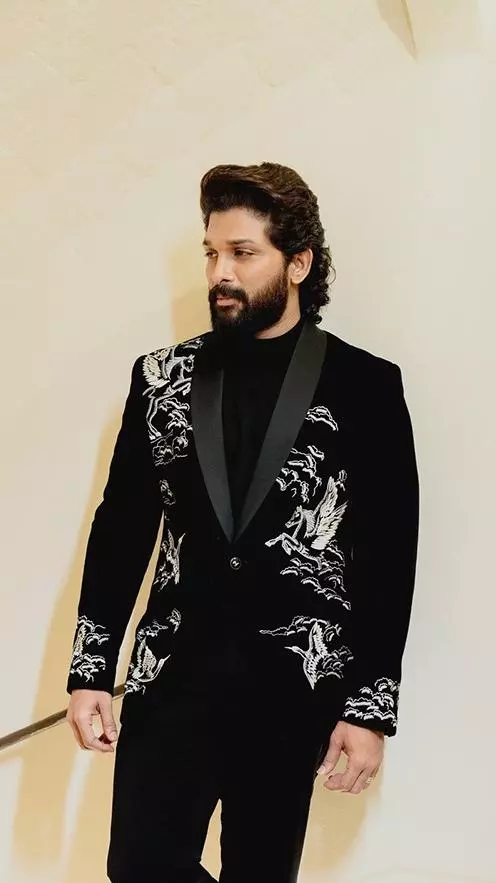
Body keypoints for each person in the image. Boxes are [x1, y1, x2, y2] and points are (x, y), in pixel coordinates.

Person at [66, 162, 420, 883]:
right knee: (138, 865)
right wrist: (89, 669)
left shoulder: (366, 385)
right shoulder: (159, 377)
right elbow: (122, 526)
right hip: (171, 678)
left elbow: (388, 553)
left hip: (293, 687)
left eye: (242, 253)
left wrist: (369, 707)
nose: (219, 272)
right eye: (211, 253)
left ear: (298, 264)